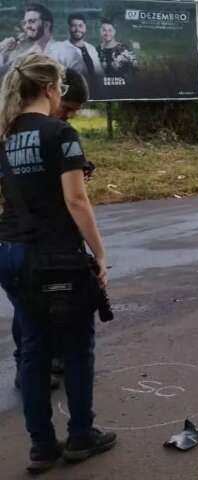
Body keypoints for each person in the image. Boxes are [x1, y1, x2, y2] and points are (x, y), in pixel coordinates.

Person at [0, 53, 115, 474]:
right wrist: (99, 253)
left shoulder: (4, 134)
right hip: (57, 256)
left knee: (32, 350)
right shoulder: (61, 132)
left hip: (11, 253)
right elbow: (75, 200)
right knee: (76, 347)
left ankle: (42, 447)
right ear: (51, 89)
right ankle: (82, 435)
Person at [50, 15, 102, 95]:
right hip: (71, 94)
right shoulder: (58, 48)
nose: (77, 29)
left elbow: (99, 73)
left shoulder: (91, 48)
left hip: (95, 93)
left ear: (85, 28)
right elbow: (54, 74)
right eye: (73, 26)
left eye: (80, 26)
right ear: (69, 28)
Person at [0, 4, 60, 68]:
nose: (26, 26)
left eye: (32, 21)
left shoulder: (60, 51)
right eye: (25, 22)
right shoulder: (25, 55)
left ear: (46, 25)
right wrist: (5, 54)